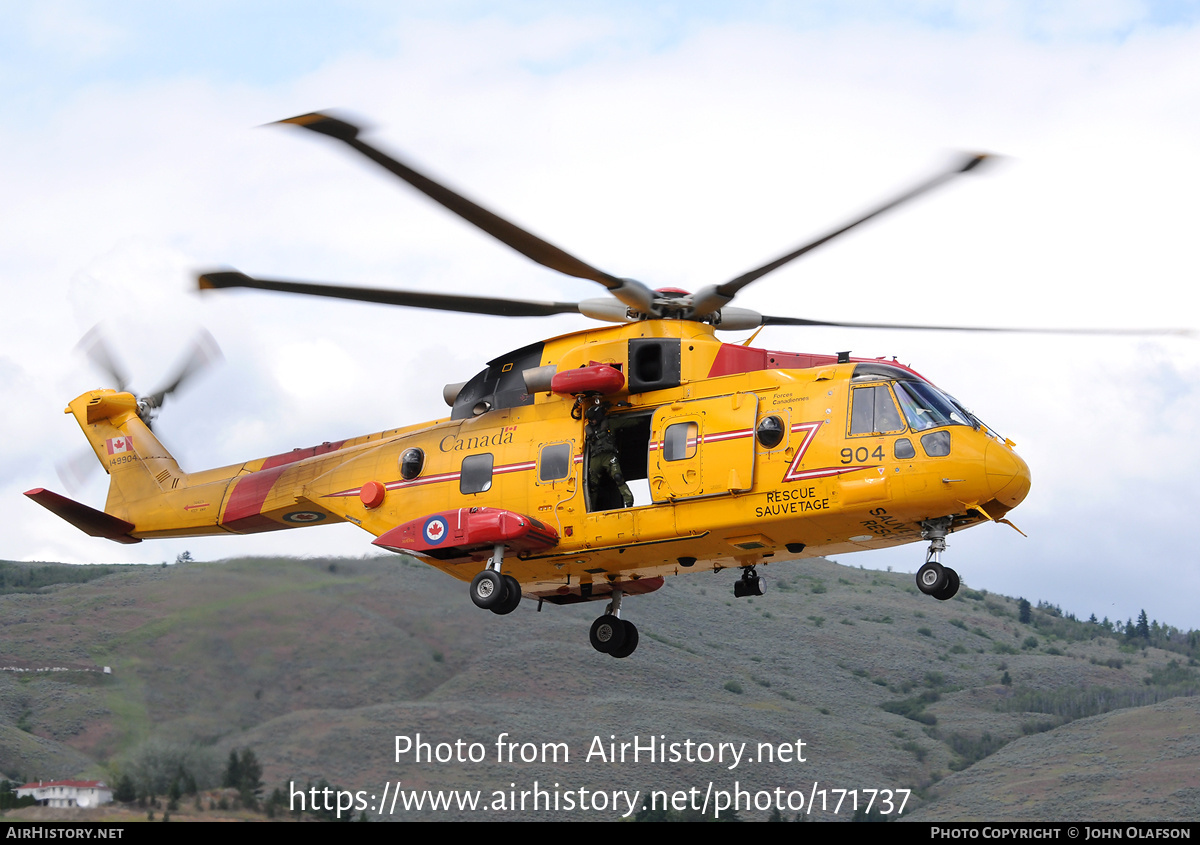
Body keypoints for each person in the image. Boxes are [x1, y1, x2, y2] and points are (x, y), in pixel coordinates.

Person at [584, 399, 634, 509]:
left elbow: (628, 422)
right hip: (595, 457)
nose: (591, 422)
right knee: (592, 484)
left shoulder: (609, 424)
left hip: (608, 456)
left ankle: (629, 501)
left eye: (593, 419)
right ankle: (590, 507)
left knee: (618, 476)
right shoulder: (588, 429)